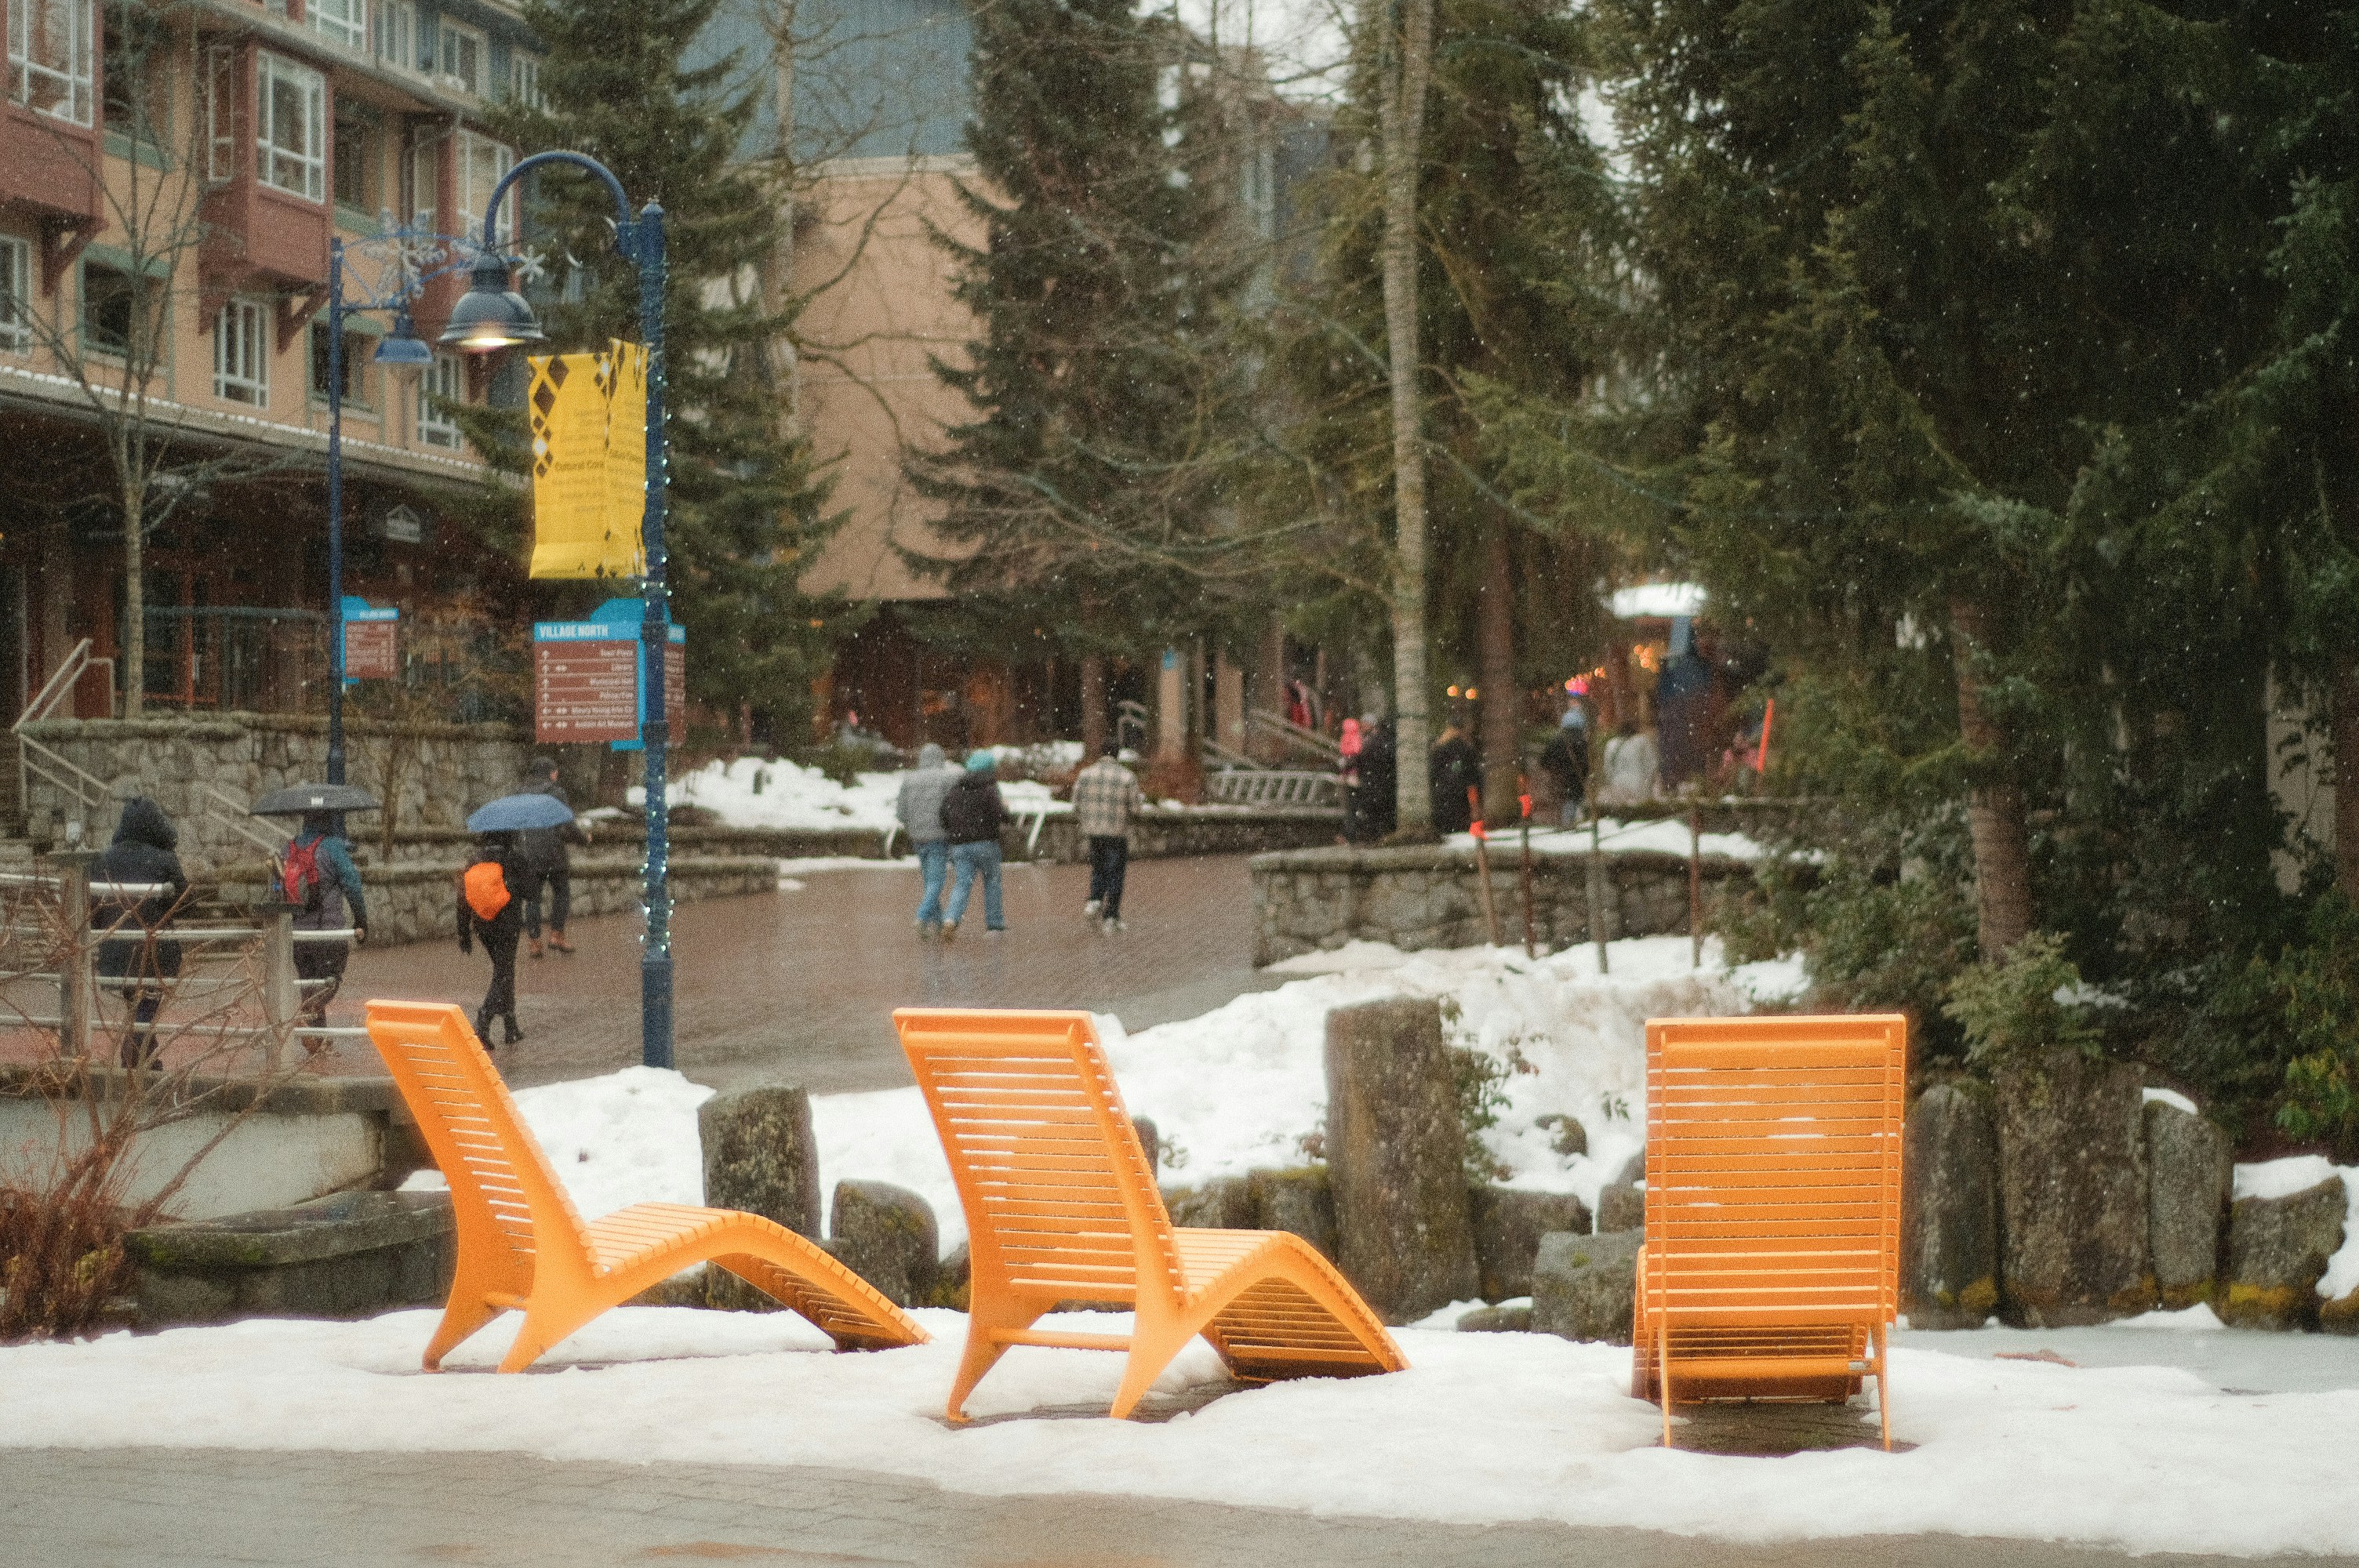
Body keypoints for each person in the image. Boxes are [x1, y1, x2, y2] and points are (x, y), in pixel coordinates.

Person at [93, 797, 185, 1068]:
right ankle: (133, 1056)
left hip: (116, 952)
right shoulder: (164, 859)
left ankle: (147, 1061)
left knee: (138, 1006)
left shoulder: (103, 860)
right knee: (146, 1008)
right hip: (156, 951)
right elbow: (185, 901)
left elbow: (93, 909)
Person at [282, 808, 368, 1031]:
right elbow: (353, 884)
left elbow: (276, 887)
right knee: (330, 982)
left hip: (298, 935)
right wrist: (361, 920)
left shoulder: (288, 849)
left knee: (309, 985)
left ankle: (317, 1041)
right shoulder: (331, 847)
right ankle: (308, 1011)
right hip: (328, 934)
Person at [515, 757, 589, 959]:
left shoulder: (521, 792)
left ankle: (534, 943)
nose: (557, 775)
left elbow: (517, 823)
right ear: (550, 772)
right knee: (562, 893)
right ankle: (556, 935)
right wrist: (583, 839)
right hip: (553, 854)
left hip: (529, 854)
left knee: (532, 900)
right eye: (555, 771)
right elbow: (568, 823)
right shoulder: (557, 793)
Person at [456, 830, 525, 1046]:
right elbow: (532, 893)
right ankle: (484, 1019)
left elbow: (462, 897)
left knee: (503, 971)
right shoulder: (514, 859)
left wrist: (463, 933)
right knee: (504, 973)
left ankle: (510, 1025)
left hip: (482, 926)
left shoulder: (474, 860)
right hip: (508, 925)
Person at [1070, 739, 1145, 933]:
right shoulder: (1127, 776)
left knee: (1099, 867)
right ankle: (1111, 915)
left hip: (1094, 831)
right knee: (1116, 873)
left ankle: (1095, 899)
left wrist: (1088, 819)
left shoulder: (1086, 774)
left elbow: (1076, 803)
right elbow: (1136, 809)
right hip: (1117, 833)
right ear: (1117, 754)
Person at [938, 750, 1012, 941]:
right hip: (986, 844)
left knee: (962, 884)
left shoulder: (955, 790)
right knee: (992, 883)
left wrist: (954, 831)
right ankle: (994, 925)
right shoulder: (989, 790)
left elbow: (943, 815)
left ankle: (951, 918)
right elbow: (1000, 814)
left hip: (960, 846)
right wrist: (1005, 814)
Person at [894, 742, 960, 938]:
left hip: (917, 838)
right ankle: (921, 916)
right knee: (937, 881)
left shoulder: (909, 779)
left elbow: (900, 812)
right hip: (939, 836)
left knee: (930, 881)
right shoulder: (947, 778)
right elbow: (953, 807)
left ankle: (938, 923)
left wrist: (912, 826)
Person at [1539, 706, 1590, 826]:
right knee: (1573, 805)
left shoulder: (1557, 741)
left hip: (1559, 782)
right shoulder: (1582, 742)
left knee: (1563, 806)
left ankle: (1564, 826)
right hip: (1577, 782)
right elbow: (1586, 765)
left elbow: (1544, 761)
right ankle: (1571, 826)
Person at [1430, 724, 1481, 835]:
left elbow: (1433, 774)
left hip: (1441, 797)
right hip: (1460, 797)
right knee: (1461, 832)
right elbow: (1472, 779)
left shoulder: (1438, 749)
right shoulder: (1466, 749)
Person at [1599, 719, 1662, 808]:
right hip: (1639, 785)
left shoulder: (1611, 744)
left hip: (1617, 785)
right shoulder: (1642, 741)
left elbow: (1608, 769)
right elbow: (1652, 765)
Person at [1357, 717, 1398, 839]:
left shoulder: (1371, 743)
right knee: (1386, 811)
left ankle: (1373, 835)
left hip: (1371, 782)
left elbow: (1360, 761)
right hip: (1386, 783)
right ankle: (1384, 833)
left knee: (1373, 812)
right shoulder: (1392, 743)